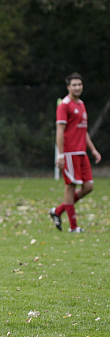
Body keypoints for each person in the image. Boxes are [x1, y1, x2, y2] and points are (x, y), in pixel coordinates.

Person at [49, 72, 102, 233]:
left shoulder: (81, 104)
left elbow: (83, 131)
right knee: (70, 187)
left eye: (79, 84)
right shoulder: (64, 105)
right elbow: (59, 131)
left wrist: (93, 150)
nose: (77, 87)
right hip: (70, 153)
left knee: (88, 186)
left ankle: (58, 211)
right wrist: (60, 154)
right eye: (74, 85)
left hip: (82, 153)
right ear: (68, 87)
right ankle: (73, 227)